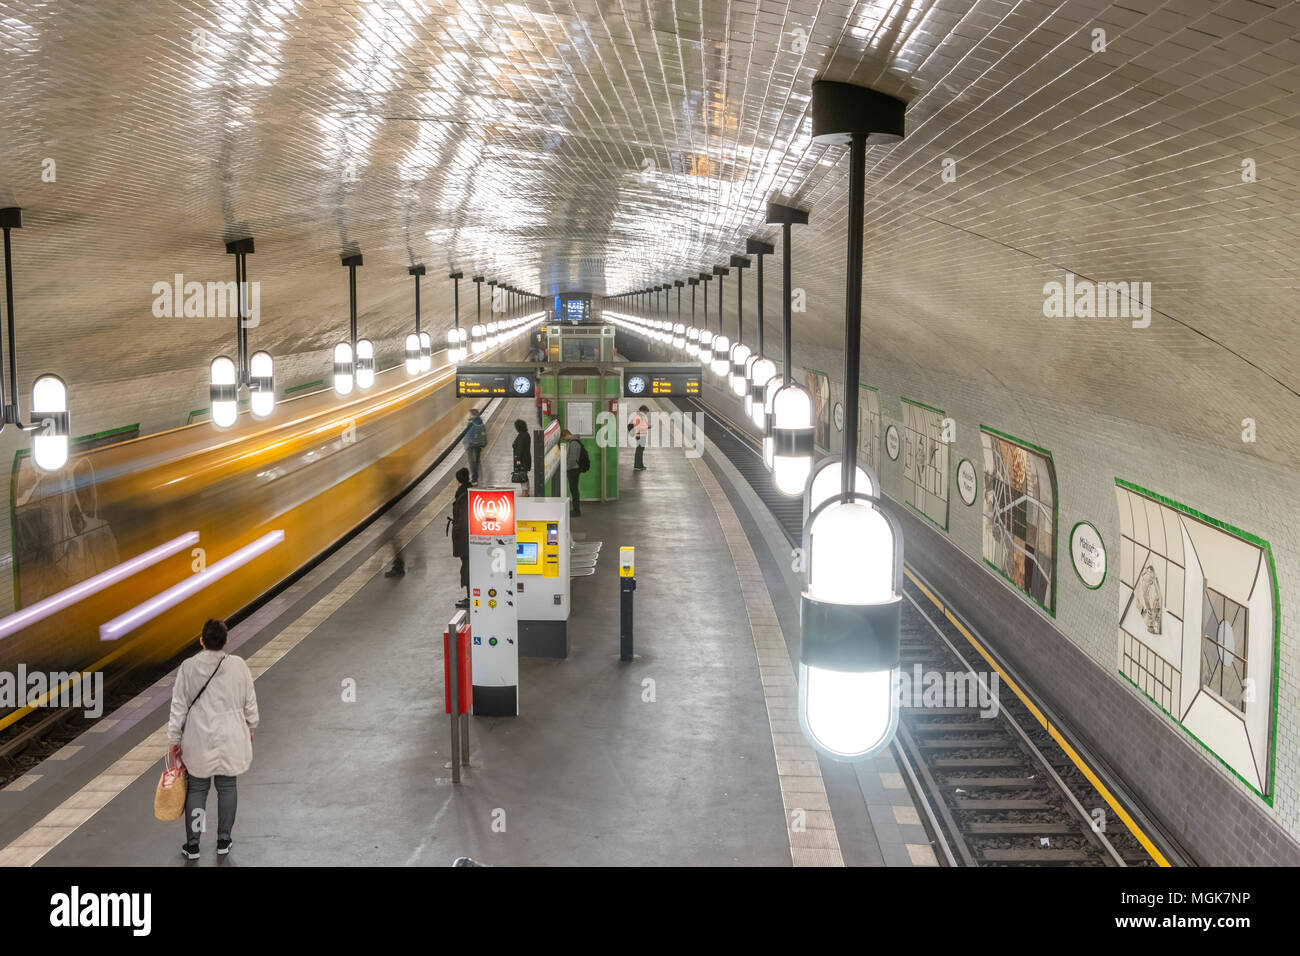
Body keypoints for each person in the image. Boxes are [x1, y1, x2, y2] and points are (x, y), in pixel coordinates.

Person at [168, 619, 259, 860]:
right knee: (227, 787)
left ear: (201, 640)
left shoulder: (188, 667)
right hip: (230, 736)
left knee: (197, 788)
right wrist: (251, 726)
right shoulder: (238, 665)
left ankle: (194, 845)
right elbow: (250, 702)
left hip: (198, 737)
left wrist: (174, 739)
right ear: (226, 641)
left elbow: (178, 707)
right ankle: (223, 840)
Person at [451, 467, 471, 608]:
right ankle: (470, 595)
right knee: (467, 565)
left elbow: (463, 519)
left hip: (465, 539)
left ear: (459, 481)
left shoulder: (463, 496)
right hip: (465, 538)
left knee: (467, 566)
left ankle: (470, 597)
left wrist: (457, 529)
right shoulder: (467, 492)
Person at [561, 428, 582, 517]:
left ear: (566, 435)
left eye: (564, 438)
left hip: (573, 469)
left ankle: (576, 511)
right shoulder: (575, 442)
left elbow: (572, 459)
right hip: (575, 469)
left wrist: (567, 468)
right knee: (574, 490)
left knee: (574, 490)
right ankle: (576, 509)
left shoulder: (573, 443)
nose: (564, 440)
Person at [464, 408, 487, 484]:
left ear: (473, 415)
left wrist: (466, 444)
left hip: (472, 446)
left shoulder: (472, 423)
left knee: (472, 462)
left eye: (470, 414)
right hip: (478, 445)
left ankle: (474, 479)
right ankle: (478, 477)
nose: (469, 416)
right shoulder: (480, 422)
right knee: (477, 461)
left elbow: (467, 434)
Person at [512, 419, 532, 496]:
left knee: (522, 476)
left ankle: (524, 494)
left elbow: (520, 450)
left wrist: (517, 461)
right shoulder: (526, 434)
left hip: (522, 460)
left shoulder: (521, 436)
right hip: (526, 459)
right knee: (524, 476)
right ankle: (526, 492)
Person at [631, 405, 650, 471]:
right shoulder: (638, 417)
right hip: (640, 435)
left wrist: (647, 426)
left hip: (642, 435)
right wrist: (647, 427)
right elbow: (637, 427)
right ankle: (637, 465)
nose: (646, 413)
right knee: (639, 451)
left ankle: (640, 465)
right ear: (643, 410)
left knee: (640, 451)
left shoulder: (641, 416)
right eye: (646, 412)